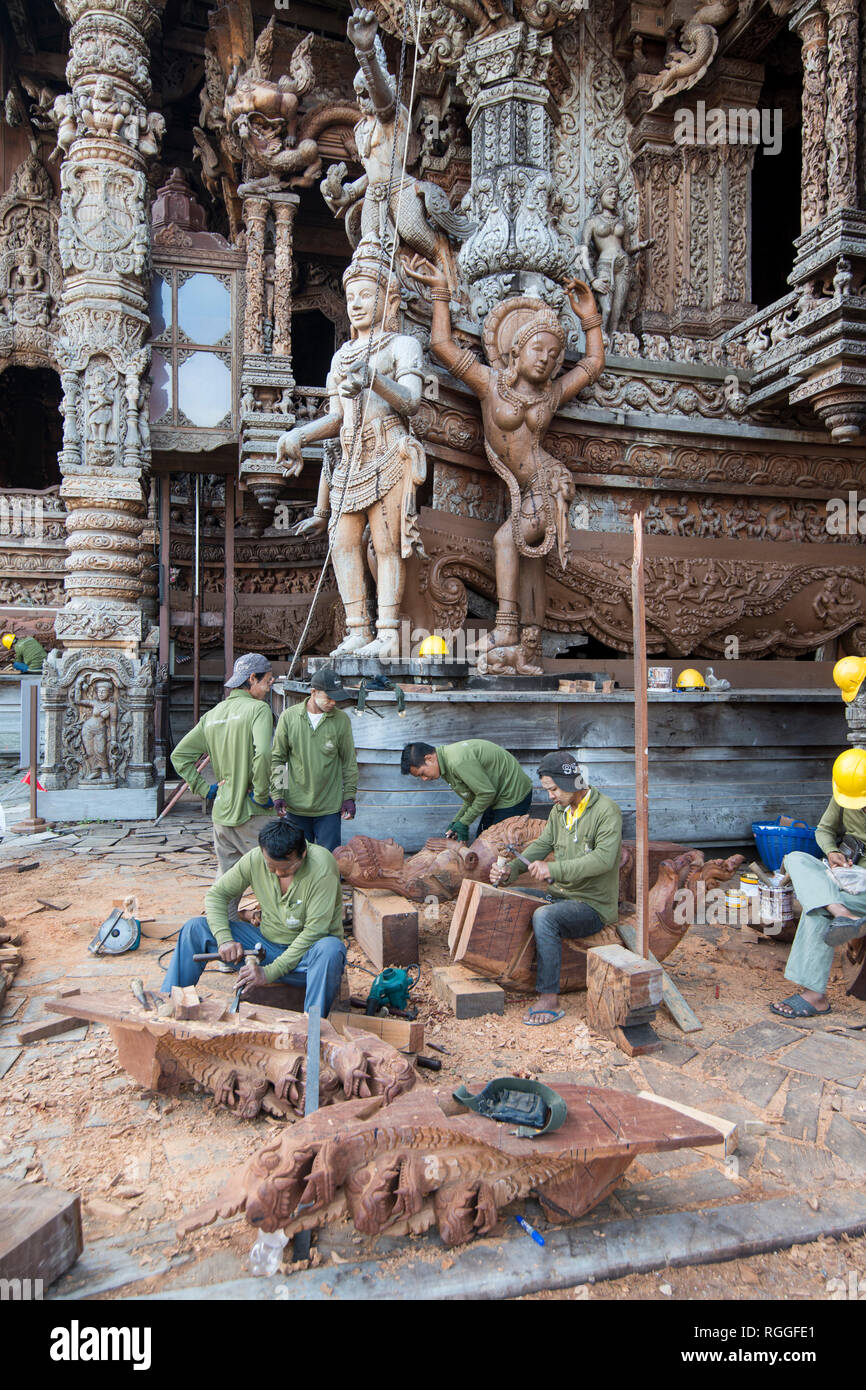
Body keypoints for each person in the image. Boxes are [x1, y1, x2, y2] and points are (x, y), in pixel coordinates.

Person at [161, 819, 346, 1017]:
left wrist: (269, 973)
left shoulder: (322, 865)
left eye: (286, 869)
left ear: (303, 854)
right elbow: (217, 895)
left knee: (330, 949)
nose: (277, 873)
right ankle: (169, 1005)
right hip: (266, 948)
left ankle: (311, 1027)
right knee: (195, 929)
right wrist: (225, 940)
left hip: (307, 959)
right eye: (271, 867)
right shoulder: (255, 858)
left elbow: (314, 932)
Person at [489, 751, 622, 1025]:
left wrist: (554, 869)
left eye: (554, 789)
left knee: (545, 916)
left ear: (572, 782)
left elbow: (604, 860)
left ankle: (549, 997)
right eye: (547, 790)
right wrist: (510, 871)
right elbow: (542, 845)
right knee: (512, 897)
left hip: (592, 905)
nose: (550, 795)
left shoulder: (606, 811)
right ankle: (505, 969)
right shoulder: (559, 810)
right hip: (561, 895)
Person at [171, 652, 274, 920]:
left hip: (222, 811)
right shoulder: (259, 710)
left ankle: (222, 936)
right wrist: (262, 794)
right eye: (267, 682)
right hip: (252, 812)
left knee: (227, 881)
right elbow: (263, 754)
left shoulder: (213, 714)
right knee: (271, 876)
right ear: (252, 679)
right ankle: (278, 938)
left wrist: (205, 790)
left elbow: (179, 756)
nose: (269, 687)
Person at [771, 747, 866, 1019]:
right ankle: (842, 913)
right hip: (843, 874)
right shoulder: (846, 792)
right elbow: (825, 830)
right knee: (795, 859)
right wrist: (832, 852)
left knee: (817, 908)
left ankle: (815, 996)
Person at [270, 666, 358, 852]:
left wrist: (349, 796)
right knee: (298, 860)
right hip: (295, 806)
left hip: (329, 808)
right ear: (313, 692)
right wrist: (278, 794)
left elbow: (349, 761)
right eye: (329, 697)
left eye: (337, 697)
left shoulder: (341, 720)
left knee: (329, 861)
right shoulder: (289, 718)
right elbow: (278, 758)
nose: (333, 702)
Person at [400, 738, 532, 842]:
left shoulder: (457, 762)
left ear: (429, 758)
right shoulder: (443, 765)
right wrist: (456, 822)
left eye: (422, 773)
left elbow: (486, 794)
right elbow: (471, 798)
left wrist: (464, 822)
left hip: (513, 795)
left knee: (495, 847)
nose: (424, 779)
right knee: (482, 839)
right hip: (495, 795)